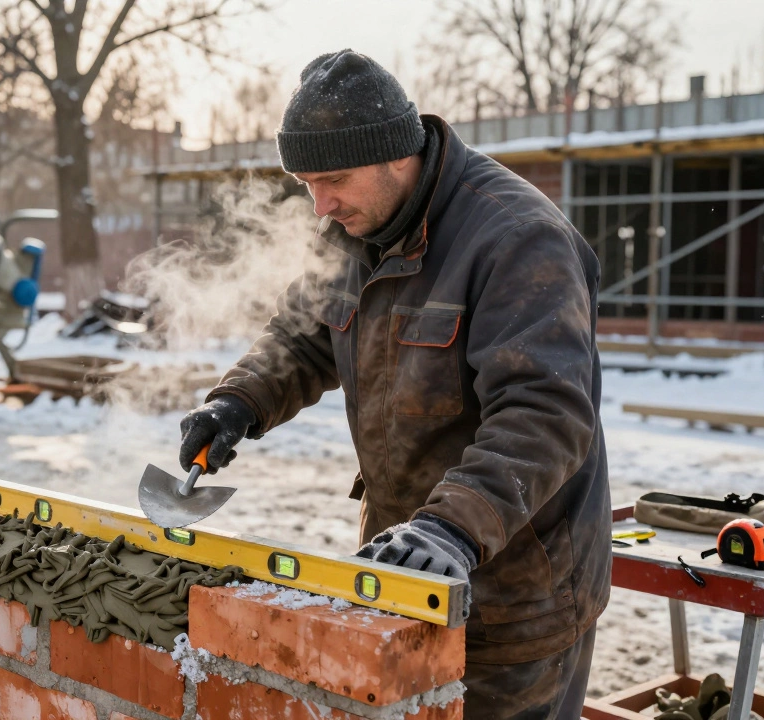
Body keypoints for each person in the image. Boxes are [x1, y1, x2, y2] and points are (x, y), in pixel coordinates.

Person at [177, 50, 610, 720]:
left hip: (516, 591)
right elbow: (303, 334)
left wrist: (451, 529)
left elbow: (545, 414)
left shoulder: (517, 238)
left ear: (395, 155)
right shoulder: (354, 229)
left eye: (334, 180)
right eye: (307, 184)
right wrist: (238, 401)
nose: (320, 205)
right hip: (403, 564)